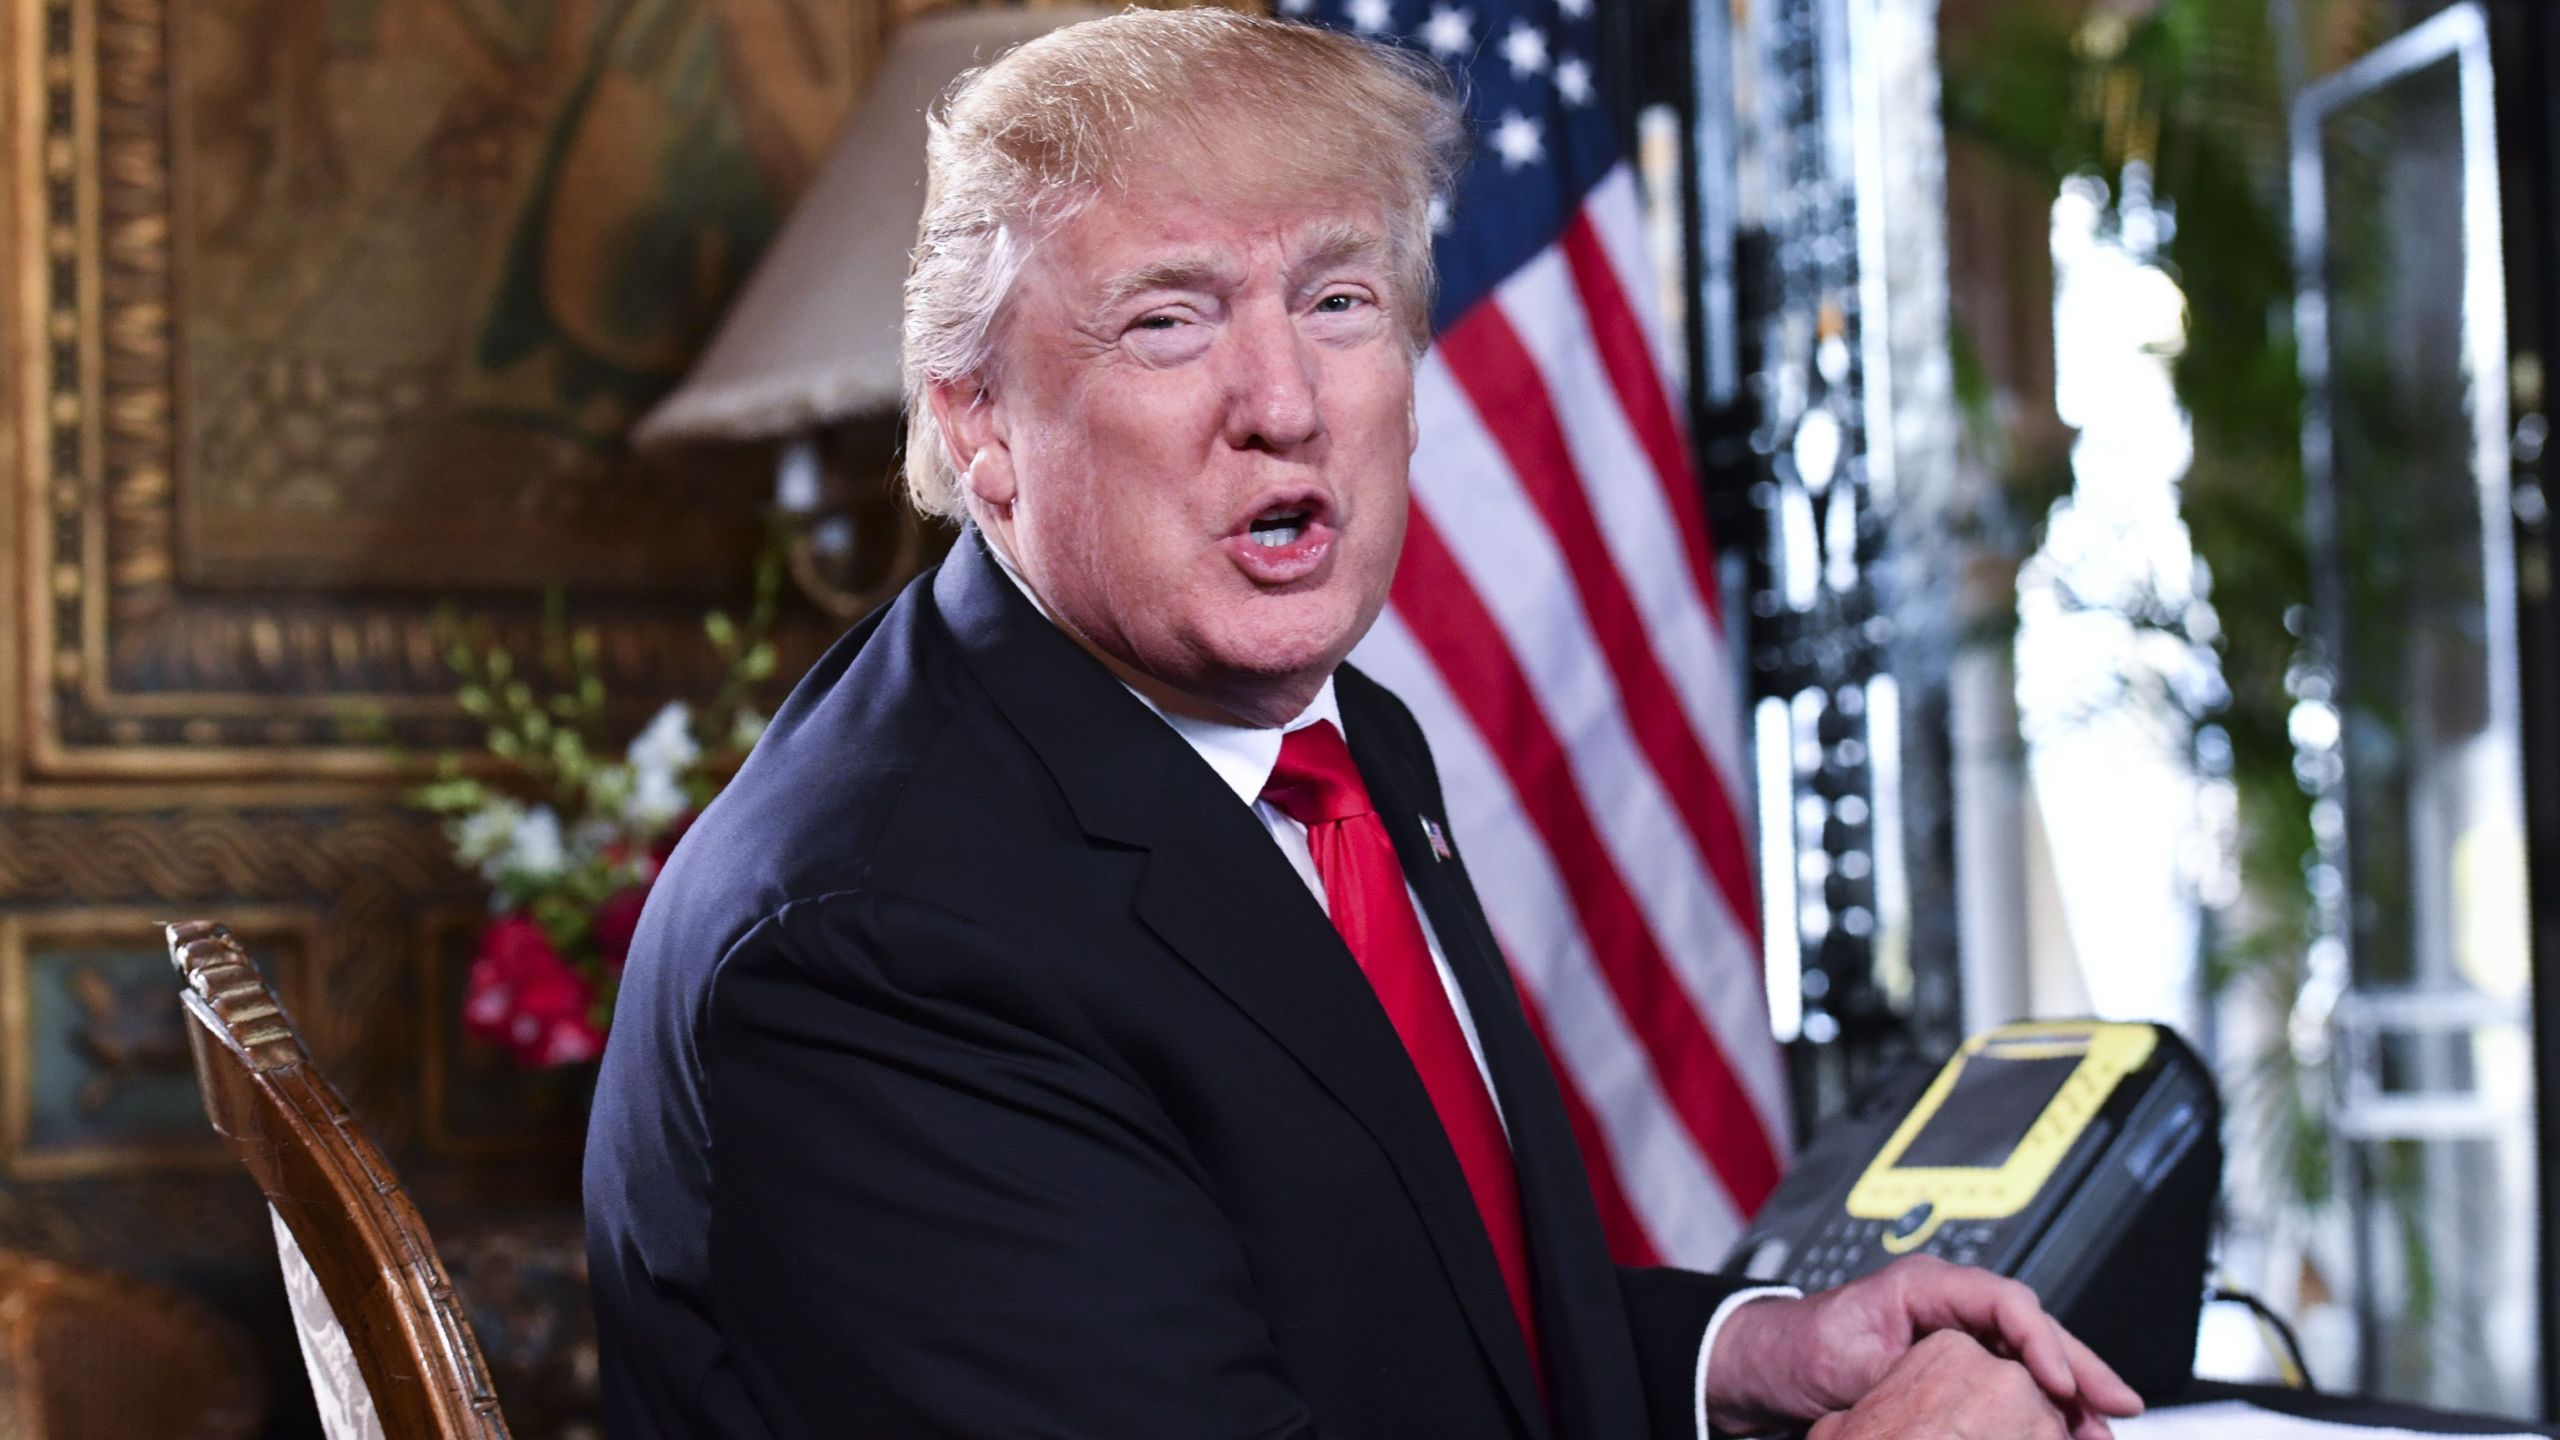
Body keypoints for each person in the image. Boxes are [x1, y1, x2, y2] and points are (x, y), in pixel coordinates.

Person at [582, 11, 2145, 1439]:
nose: (1284, 397)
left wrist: (1735, 1354)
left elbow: (1396, 1315)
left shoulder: (1333, 742)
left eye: (1337, 299)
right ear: (975, 419)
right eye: (1169, 323)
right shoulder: (878, 942)